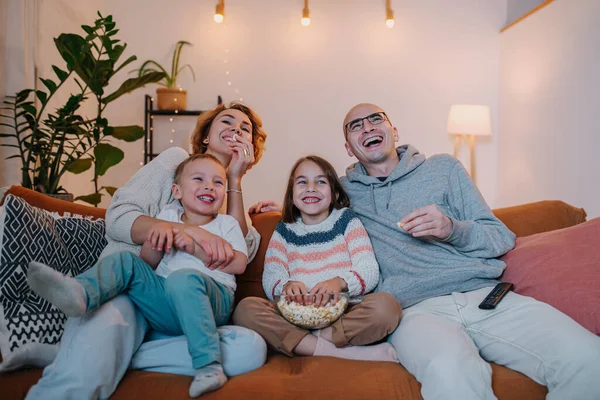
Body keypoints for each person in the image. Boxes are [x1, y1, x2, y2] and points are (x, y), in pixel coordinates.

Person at [337, 103, 600, 399]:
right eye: (356, 125)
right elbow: (305, 206)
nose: (368, 127)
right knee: (453, 371)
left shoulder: (443, 169)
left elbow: (500, 238)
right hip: (415, 311)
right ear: (349, 148)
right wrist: (279, 207)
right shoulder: (343, 193)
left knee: (589, 359)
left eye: (376, 119)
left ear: (393, 131)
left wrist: (452, 228)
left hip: (486, 297)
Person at [26, 102, 268, 400]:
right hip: (133, 296)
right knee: (76, 383)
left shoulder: (237, 212)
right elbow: (118, 218)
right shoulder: (174, 162)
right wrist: (184, 231)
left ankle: (96, 352)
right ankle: (91, 347)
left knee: (250, 349)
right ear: (206, 136)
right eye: (227, 122)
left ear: (252, 147)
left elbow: (239, 251)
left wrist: (234, 179)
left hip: (186, 314)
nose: (236, 129)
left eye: (245, 128)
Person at [235, 155, 401, 362]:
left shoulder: (346, 221)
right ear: (292, 194)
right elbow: (272, 275)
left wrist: (340, 282)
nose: (311, 188)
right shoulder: (285, 230)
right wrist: (286, 286)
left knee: (387, 307)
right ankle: (332, 350)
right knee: (245, 309)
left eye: (320, 182)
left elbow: (368, 268)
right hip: (294, 315)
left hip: (343, 312)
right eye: (302, 182)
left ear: (335, 193)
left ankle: (310, 342)